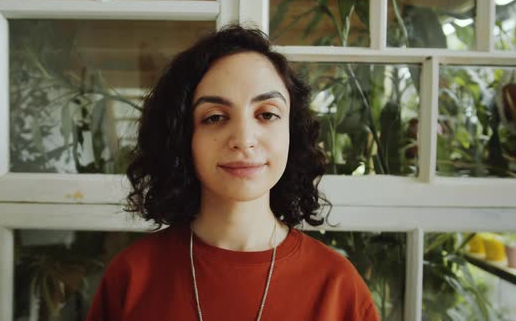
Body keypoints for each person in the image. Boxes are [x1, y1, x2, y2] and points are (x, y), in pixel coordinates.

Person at [86, 24, 379, 321]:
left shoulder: (339, 287)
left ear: (292, 132)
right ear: (182, 137)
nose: (243, 138)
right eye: (215, 117)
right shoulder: (131, 277)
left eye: (267, 114)